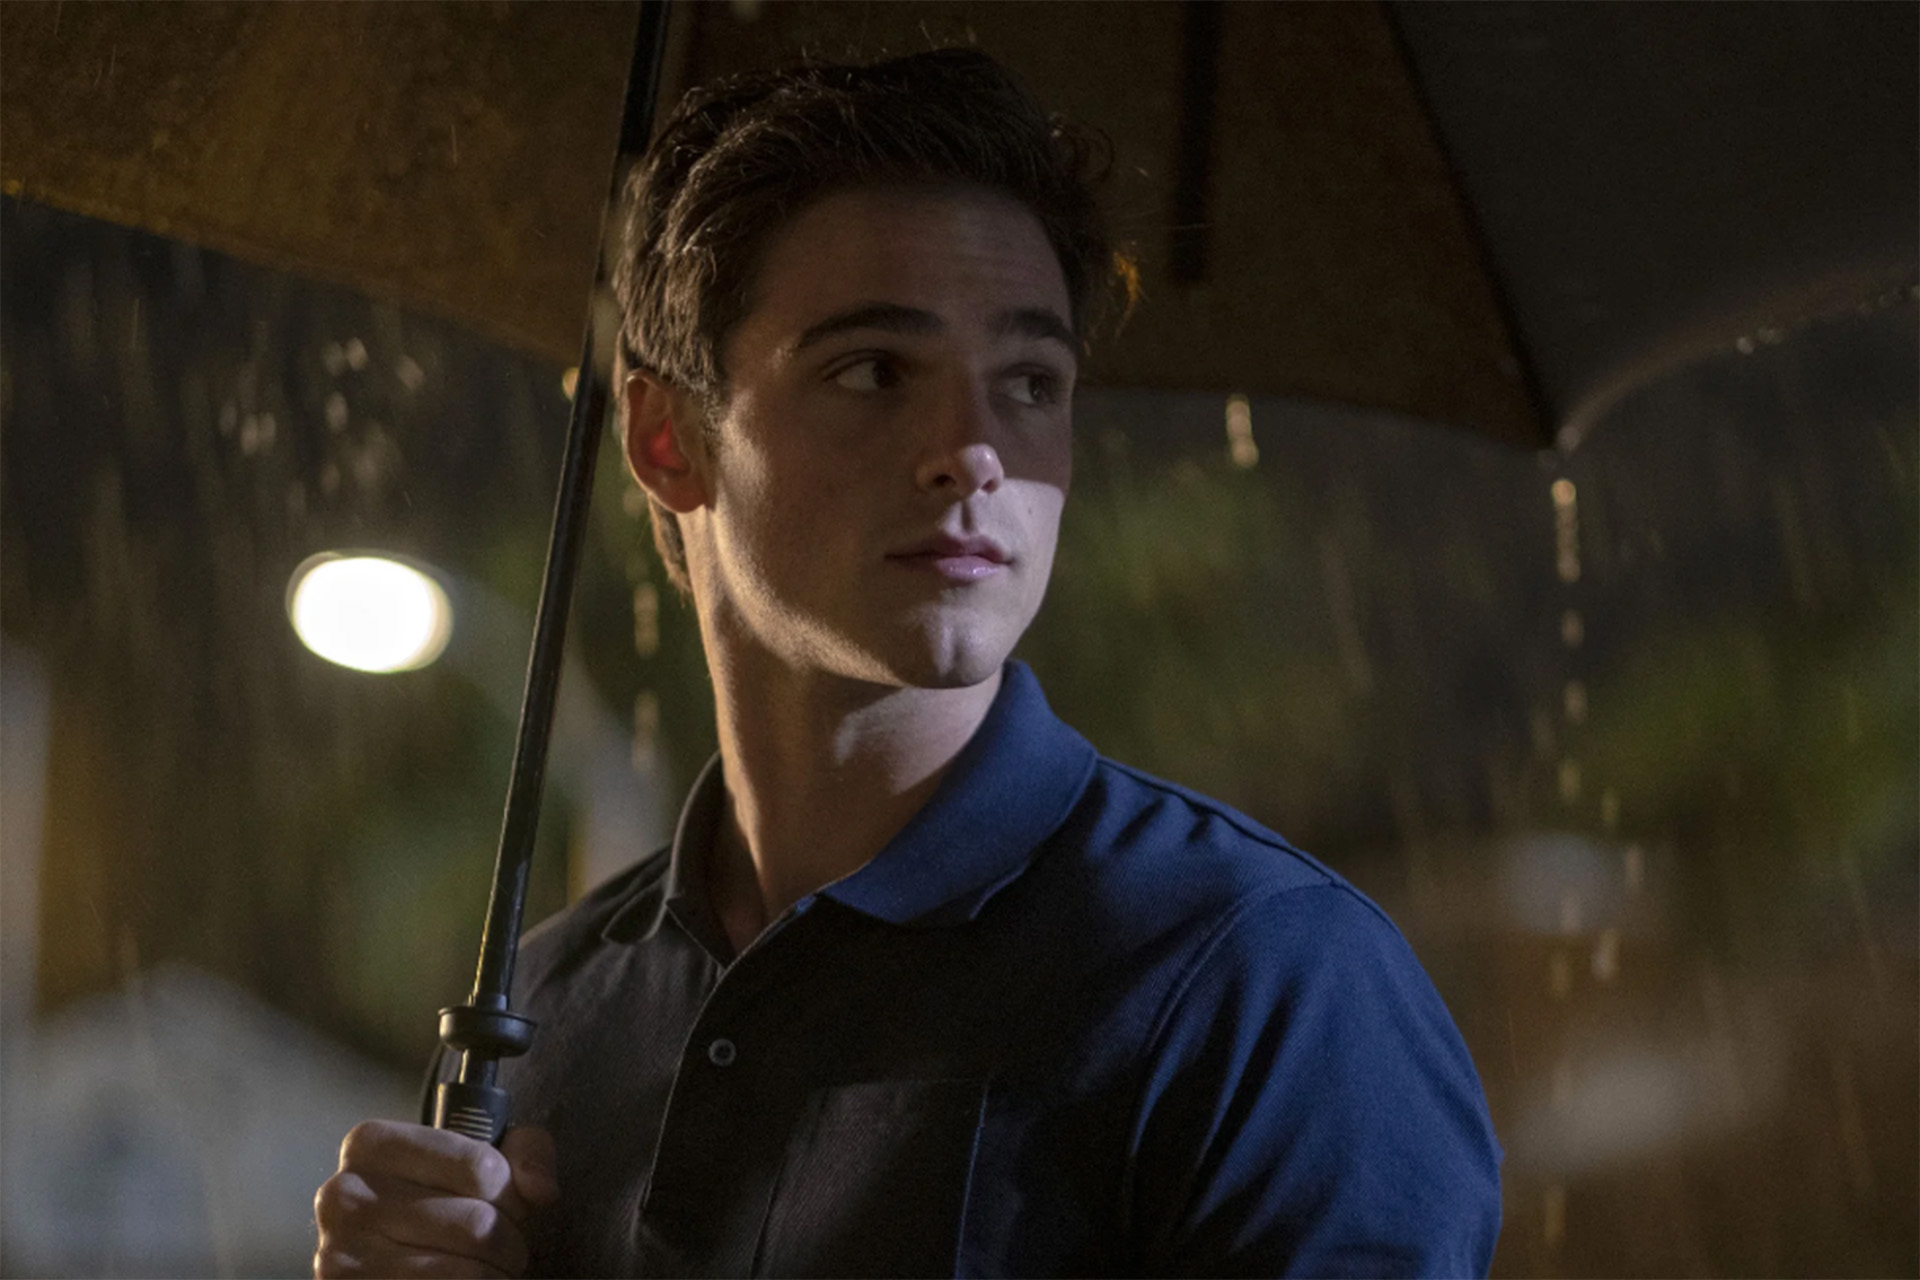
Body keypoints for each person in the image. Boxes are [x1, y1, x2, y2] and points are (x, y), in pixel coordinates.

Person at [314, 49, 1501, 1279]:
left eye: (1029, 381)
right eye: (874, 369)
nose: (974, 452)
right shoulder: (545, 1011)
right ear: (668, 438)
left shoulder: (1261, 980)